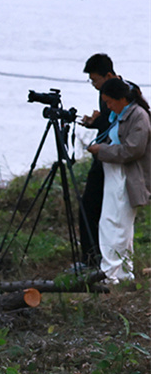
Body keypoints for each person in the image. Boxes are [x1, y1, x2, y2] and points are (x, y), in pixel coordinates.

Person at [87, 78, 151, 284]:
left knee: (116, 223)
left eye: (109, 101)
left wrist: (102, 150)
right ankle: (120, 271)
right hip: (115, 172)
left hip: (127, 174)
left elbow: (133, 149)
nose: (107, 106)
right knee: (112, 222)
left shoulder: (138, 116)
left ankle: (111, 274)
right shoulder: (119, 114)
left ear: (122, 98)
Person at [77, 53, 119, 266]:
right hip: (103, 156)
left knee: (96, 208)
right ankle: (92, 257)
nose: (94, 85)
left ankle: (94, 259)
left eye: (95, 80)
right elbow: (109, 121)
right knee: (91, 207)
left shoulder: (125, 92)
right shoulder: (106, 92)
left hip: (113, 158)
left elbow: (122, 123)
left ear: (109, 75)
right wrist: (95, 121)